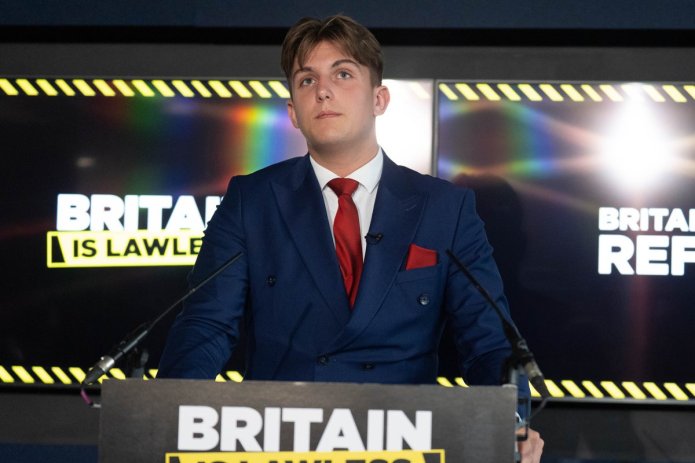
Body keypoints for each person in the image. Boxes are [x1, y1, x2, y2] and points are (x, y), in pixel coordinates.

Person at [158, 14, 543, 461]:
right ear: (293, 112)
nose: (323, 91)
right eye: (307, 80)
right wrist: (168, 418)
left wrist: (510, 423)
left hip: (405, 443)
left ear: (379, 99)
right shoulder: (251, 201)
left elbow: (488, 341)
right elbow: (206, 326)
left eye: (342, 74)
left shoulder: (445, 208)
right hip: (281, 443)